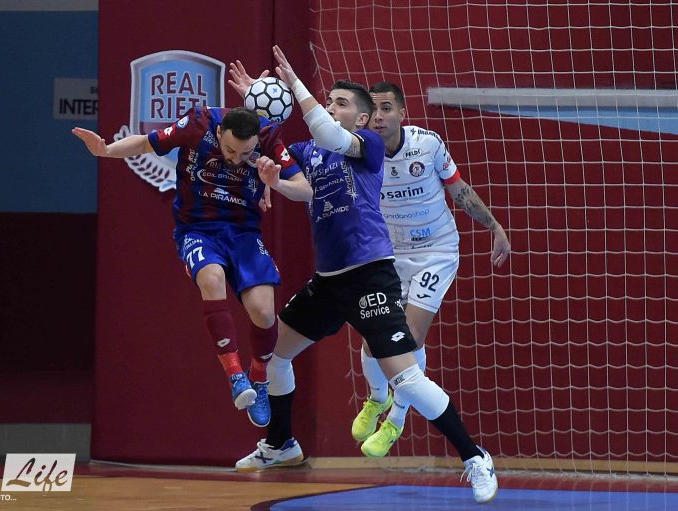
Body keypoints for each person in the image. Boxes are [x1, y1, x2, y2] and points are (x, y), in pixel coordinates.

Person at [230, 47, 498, 504]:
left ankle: (475, 457)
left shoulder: (367, 146)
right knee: (275, 355)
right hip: (330, 280)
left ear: (363, 118)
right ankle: (280, 444)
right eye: (328, 101)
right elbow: (296, 183)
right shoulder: (310, 152)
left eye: (341, 103)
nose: (331, 107)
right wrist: (259, 117)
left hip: (371, 276)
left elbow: (326, 131)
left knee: (406, 378)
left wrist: (293, 83)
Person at [72, 106, 313, 428]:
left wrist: (276, 182)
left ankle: (258, 379)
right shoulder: (198, 124)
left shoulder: (269, 137)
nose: (237, 159)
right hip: (198, 229)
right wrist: (105, 151)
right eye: (230, 150)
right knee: (211, 278)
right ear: (219, 133)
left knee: (264, 313)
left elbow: (305, 189)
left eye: (245, 153)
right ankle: (235, 375)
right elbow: (144, 143)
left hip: (244, 233)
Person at [352, 82, 511, 459]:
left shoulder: (428, 144)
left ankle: (395, 420)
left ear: (402, 113)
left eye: (387, 108)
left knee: (407, 338)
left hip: (435, 252)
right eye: (373, 110)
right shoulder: (359, 152)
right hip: (390, 254)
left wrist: (494, 226)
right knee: (374, 338)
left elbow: (459, 190)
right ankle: (376, 398)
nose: (379, 117)